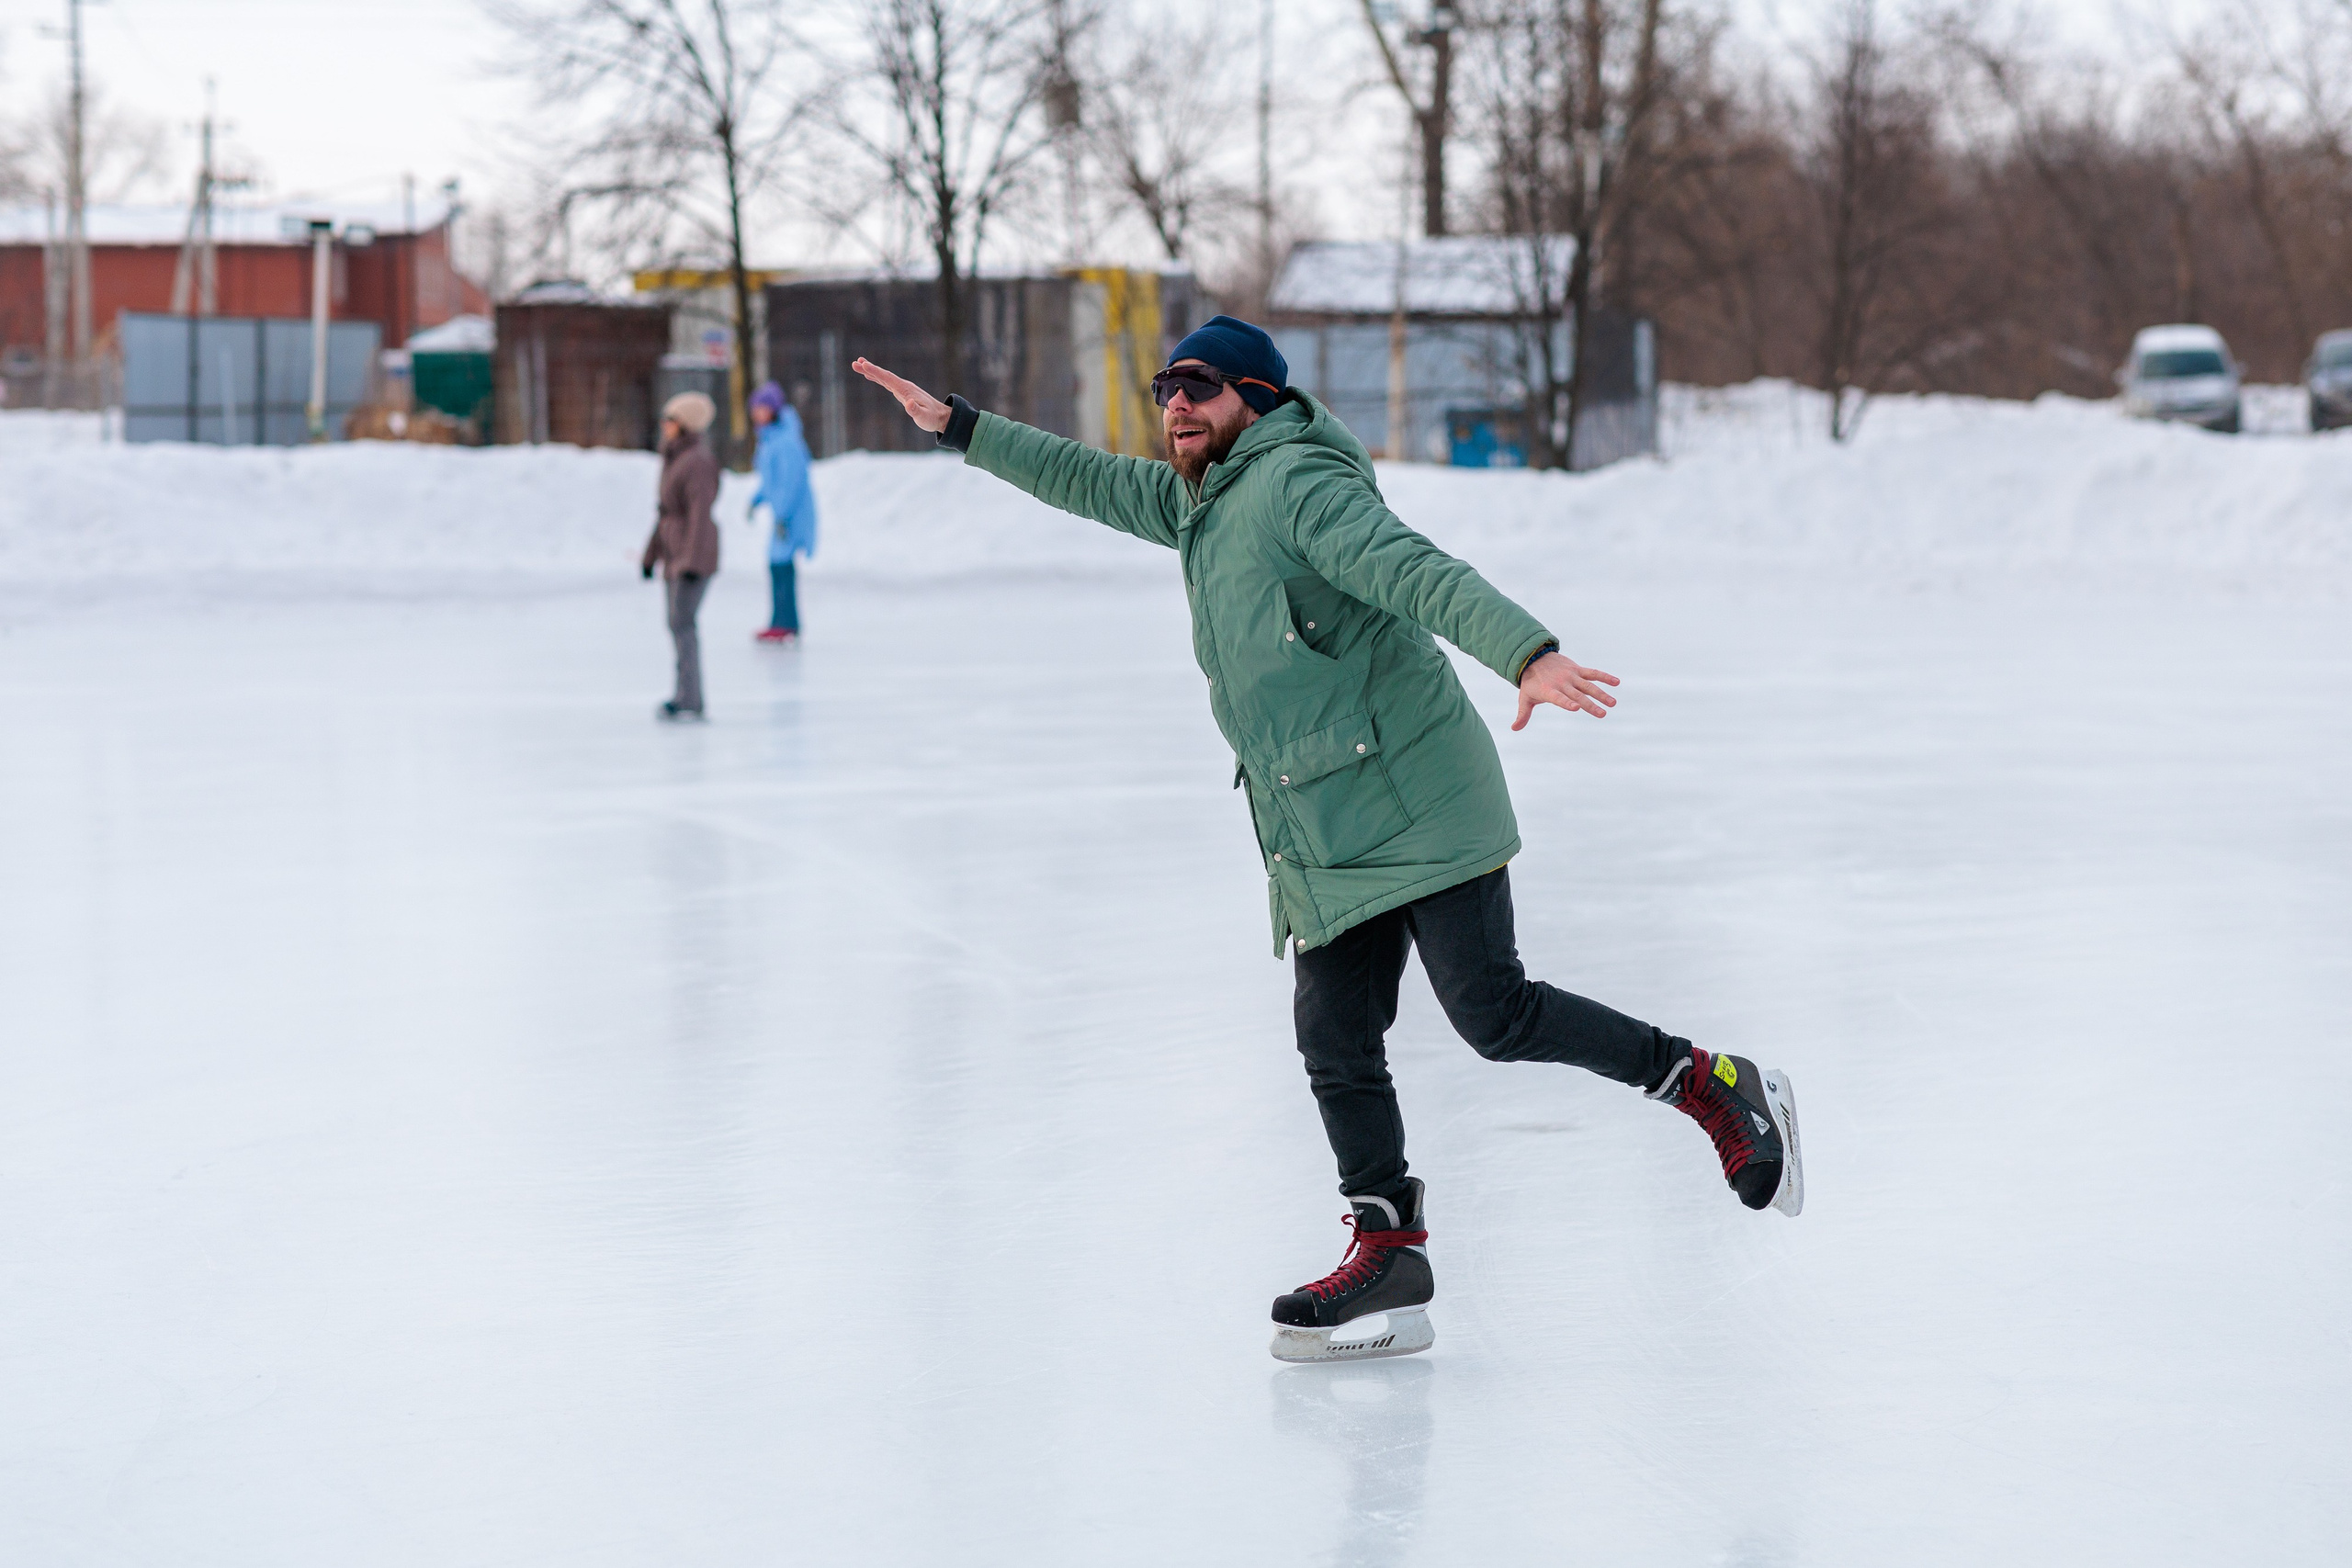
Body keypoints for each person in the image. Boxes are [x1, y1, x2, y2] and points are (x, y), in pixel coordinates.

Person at [854, 316, 1806, 1364]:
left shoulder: (1297, 484)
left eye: (1200, 386)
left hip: (1420, 797)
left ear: (1253, 399)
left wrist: (1524, 652)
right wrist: (961, 427)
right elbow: (1081, 477)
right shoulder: (1195, 499)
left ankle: (1712, 1086)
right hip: (1320, 820)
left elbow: (1415, 571)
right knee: (1334, 1041)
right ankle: (1389, 1253)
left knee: (1492, 1013)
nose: (1175, 402)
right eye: (1166, 384)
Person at [641, 390, 721, 721]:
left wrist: (690, 563)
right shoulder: (675, 456)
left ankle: (690, 697)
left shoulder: (697, 462)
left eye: (670, 420)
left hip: (693, 558)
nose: (664, 425)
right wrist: (651, 556)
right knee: (676, 625)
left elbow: (699, 515)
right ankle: (685, 694)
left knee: (682, 624)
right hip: (676, 555)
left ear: (684, 424)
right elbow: (666, 514)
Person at [746, 381, 819, 643]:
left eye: (762, 408)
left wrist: (783, 515)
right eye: (755, 408)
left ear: (774, 409)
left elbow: (790, 482)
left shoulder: (785, 441)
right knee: (778, 563)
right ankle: (784, 621)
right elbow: (770, 480)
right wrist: (756, 500)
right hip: (781, 514)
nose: (757, 413)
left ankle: (785, 622)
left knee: (781, 565)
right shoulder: (770, 439)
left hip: (790, 515)